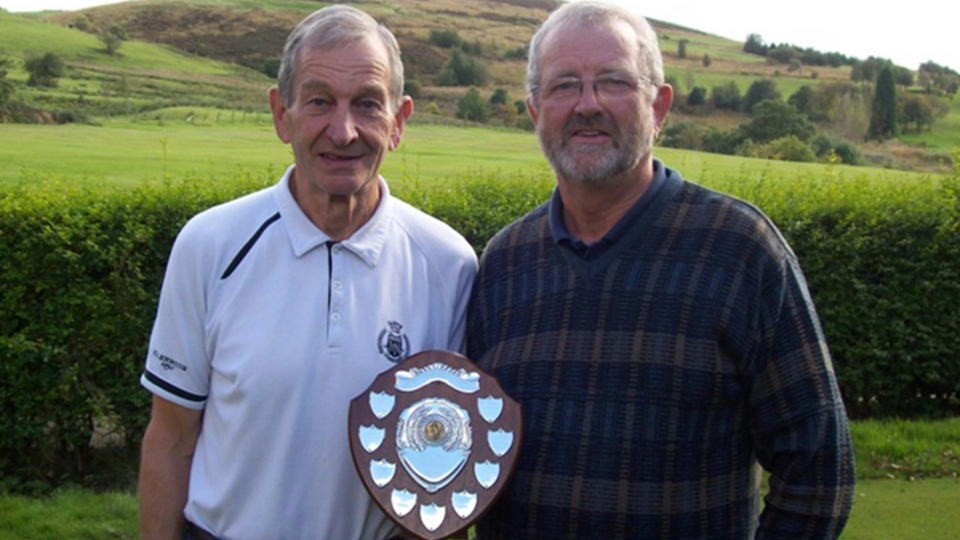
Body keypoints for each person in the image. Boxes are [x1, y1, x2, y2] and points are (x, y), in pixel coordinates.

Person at [465, 2, 855, 539]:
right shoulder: (505, 261)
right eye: (563, 86)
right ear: (535, 111)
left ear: (660, 105)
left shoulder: (741, 249)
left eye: (614, 81)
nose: (588, 104)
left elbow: (818, 469)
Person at [137, 6, 477, 539]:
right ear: (281, 114)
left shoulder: (449, 263)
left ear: (399, 121)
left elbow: (444, 464)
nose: (342, 132)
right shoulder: (209, 245)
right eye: (319, 101)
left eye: (367, 104)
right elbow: (171, 440)